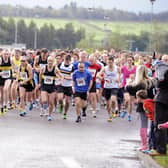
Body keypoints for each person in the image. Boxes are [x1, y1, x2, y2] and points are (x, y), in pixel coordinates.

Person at [126, 65, 155, 151]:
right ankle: (151, 143)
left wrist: (130, 81)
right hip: (152, 104)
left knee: (143, 125)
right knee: (153, 125)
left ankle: (144, 145)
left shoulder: (137, 84)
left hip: (142, 105)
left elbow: (127, 88)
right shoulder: (151, 82)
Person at [98, 56, 120, 122]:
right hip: (107, 87)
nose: (109, 64)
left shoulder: (117, 68)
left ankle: (114, 110)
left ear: (113, 62)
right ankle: (109, 116)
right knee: (107, 104)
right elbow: (98, 75)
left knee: (113, 99)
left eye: (111, 62)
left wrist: (118, 78)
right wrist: (101, 78)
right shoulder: (105, 68)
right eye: (108, 62)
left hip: (114, 86)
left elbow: (119, 75)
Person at [39, 56, 61, 121]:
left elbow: (61, 75)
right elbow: (40, 74)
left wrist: (60, 80)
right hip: (44, 86)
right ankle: (44, 108)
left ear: (53, 61)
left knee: (51, 102)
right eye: (49, 61)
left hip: (52, 87)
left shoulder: (55, 68)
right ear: (47, 61)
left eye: (51, 61)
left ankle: (49, 115)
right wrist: (40, 82)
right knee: (44, 100)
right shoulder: (43, 68)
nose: (50, 62)